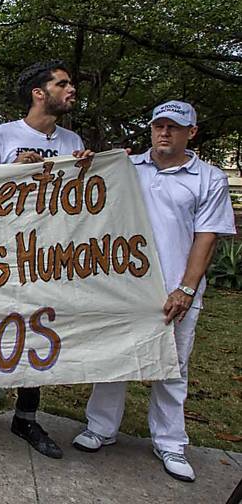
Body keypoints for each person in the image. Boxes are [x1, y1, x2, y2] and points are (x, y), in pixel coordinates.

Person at [72, 101, 235, 482]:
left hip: (174, 289)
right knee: (114, 359)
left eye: (174, 127)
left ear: (191, 132)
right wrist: (85, 161)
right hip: (126, 286)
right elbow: (87, 195)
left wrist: (186, 288)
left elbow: (206, 236)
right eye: (159, 126)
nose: (165, 133)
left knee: (173, 367)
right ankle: (101, 428)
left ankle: (170, 442)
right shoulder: (128, 167)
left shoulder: (208, 178)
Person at [0, 59, 91, 460]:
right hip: (5, 253)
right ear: (40, 93)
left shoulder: (73, 142)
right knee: (1, 327)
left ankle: (26, 416)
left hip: (51, 256)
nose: (71, 90)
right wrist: (7, 169)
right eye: (63, 84)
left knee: (40, 332)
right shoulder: (1, 134)